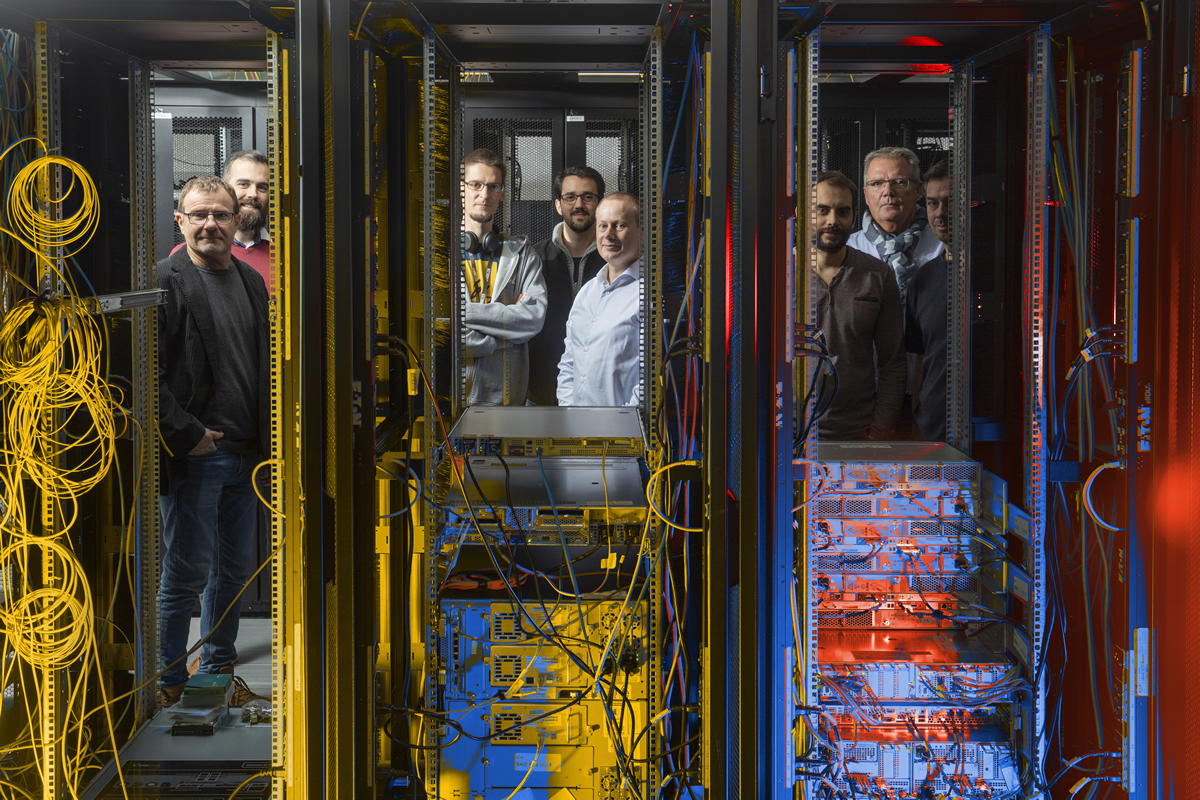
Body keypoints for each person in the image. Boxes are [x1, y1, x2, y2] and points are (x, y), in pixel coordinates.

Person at [156, 175, 270, 708]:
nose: (210, 225)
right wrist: (188, 434)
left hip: (248, 453)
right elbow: (144, 373)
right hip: (200, 454)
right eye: (198, 215)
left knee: (233, 572)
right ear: (180, 221)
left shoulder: (250, 281)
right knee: (185, 573)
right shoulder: (166, 281)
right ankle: (168, 679)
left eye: (220, 215)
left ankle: (218, 669)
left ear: (235, 220)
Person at [811, 172, 905, 440]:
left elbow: (893, 363)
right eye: (822, 210)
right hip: (785, 434)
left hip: (856, 433)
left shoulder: (878, 275)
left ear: (854, 217)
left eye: (842, 211)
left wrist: (879, 431)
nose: (832, 221)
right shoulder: (778, 273)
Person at [459, 148, 547, 405]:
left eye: (493, 186)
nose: (484, 194)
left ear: (503, 193)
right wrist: (507, 335)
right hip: (449, 401)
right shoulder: (438, 255)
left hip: (507, 402)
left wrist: (460, 313)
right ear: (461, 189)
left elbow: (532, 319)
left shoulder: (522, 254)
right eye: (475, 184)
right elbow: (439, 334)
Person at [528, 166, 607, 405]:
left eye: (588, 197)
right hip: (540, 393)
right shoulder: (533, 259)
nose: (579, 205)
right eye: (570, 197)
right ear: (558, 205)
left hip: (601, 396)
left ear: (600, 204)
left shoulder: (614, 261)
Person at [556, 192, 643, 407]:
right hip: (576, 424)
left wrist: (624, 421)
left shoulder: (647, 294)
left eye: (620, 225)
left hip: (623, 425)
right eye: (603, 226)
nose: (608, 235)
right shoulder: (587, 293)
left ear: (642, 232)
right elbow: (569, 363)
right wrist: (569, 412)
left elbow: (651, 377)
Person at [847, 146, 944, 302]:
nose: (888, 191)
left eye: (899, 182)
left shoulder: (943, 247)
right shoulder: (849, 250)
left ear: (918, 190)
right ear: (866, 194)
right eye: (877, 184)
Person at [171, 150, 273, 291]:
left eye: (262, 187)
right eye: (243, 184)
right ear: (226, 188)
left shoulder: (287, 253)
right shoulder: (187, 254)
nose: (253, 194)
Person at [906, 160, 951, 441]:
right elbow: (919, 359)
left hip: (989, 433)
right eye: (933, 203)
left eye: (951, 202)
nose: (941, 213)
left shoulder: (994, 278)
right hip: (931, 431)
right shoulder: (922, 279)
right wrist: (917, 416)